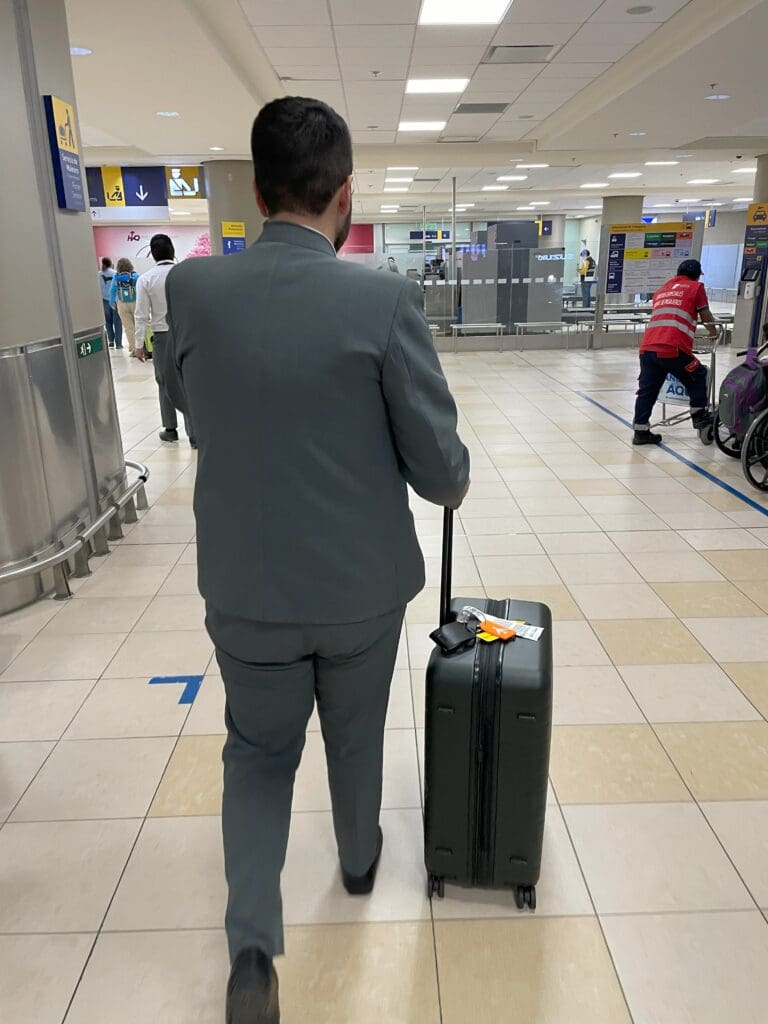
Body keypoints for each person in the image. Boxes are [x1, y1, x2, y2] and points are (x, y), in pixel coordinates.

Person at [164, 96, 470, 1023]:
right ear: (345, 194)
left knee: (257, 754)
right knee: (354, 731)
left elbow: (194, 411)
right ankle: (359, 857)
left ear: (256, 191)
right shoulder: (381, 299)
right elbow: (439, 471)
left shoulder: (194, 292)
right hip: (359, 592)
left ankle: (253, 947)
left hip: (246, 586)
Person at [632, 258, 718, 445]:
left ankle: (640, 431)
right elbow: (706, 316)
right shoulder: (696, 287)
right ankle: (700, 418)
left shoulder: (662, 289)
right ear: (696, 275)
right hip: (672, 348)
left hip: (647, 349)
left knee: (647, 390)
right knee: (698, 374)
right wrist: (715, 332)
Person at [134, 234, 195, 446]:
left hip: (161, 335)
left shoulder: (146, 279)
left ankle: (170, 429)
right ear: (173, 251)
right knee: (189, 381)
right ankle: (194, 434)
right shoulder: (185, 275)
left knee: (165, 382)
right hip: (187, 332)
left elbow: (141, 315)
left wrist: (138, 344)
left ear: (152, 254)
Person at [109, 258, 139, 356]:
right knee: (138, 326)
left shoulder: (116, 277)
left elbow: (112, 290)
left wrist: (112, 303)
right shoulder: (135, 276)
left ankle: (133, 349)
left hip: (121, 303)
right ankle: (141, 348)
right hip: (135, 302)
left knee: (128, 328)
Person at [98, 257, 122, 349]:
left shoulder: (99, 274)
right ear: (111, 264)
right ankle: (119, 344)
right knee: (117, 322)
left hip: (104, 301)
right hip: (116, 300)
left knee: (108, 322)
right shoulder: (116, 273)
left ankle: (111, 341)